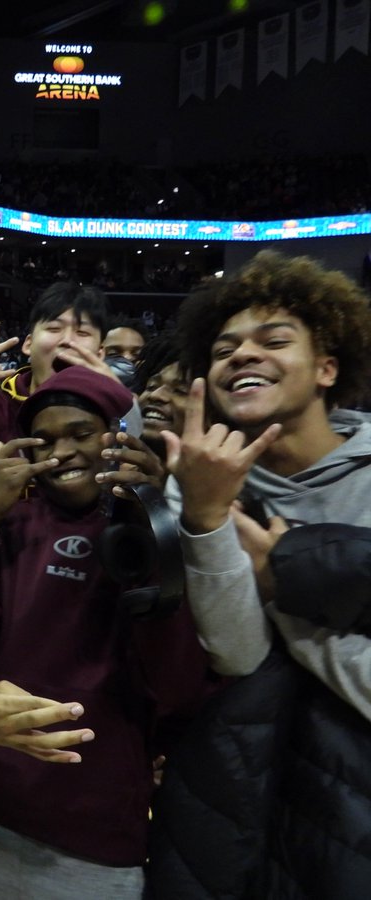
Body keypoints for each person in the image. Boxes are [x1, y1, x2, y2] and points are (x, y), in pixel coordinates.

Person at [0, 366, 207, 899]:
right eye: (45, 441)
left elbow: (178, 687)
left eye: (81, 434)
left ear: (121, 435)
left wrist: (154, 530)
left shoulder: (154, 533)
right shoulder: (14, 526)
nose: (64, 452)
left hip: (90, 841)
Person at [148, 251, 371, 897]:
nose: (243, 355)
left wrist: (284, 576)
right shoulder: (195, 482)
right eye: (224, 349)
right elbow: (237, 651)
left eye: (274, 340)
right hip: (233, 799)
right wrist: (210, 515)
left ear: (328, 367)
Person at [0, 283, 116, 443]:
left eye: (82, 332)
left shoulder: (114, 415)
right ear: (28, 344)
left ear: (100, 354)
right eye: (54, 329)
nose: (67, 340)